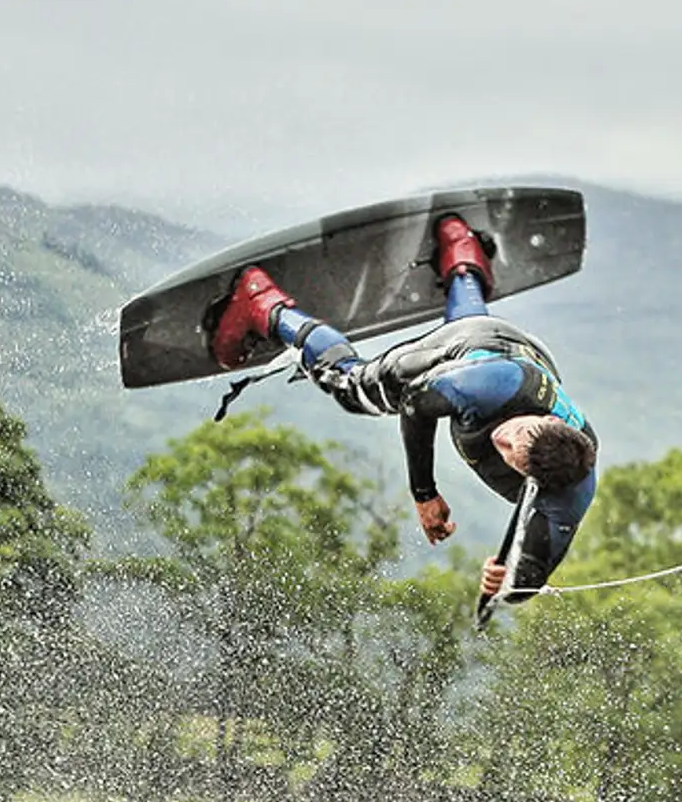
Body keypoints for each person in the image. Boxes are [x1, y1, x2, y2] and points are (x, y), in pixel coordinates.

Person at [207, 213, 598, 605]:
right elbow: (415, 403)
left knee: (473, 323)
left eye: (513, 456)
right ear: (547, 420)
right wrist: (424, 494)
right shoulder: (479, 387)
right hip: (462, 357)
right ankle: (260, 302)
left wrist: (503, 581)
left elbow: (529, 574)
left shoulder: (569, 494)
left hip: (507, 348)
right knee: (351, 386)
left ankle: (462, 252)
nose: (505, 440)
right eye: (518, 434)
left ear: (535, 483)